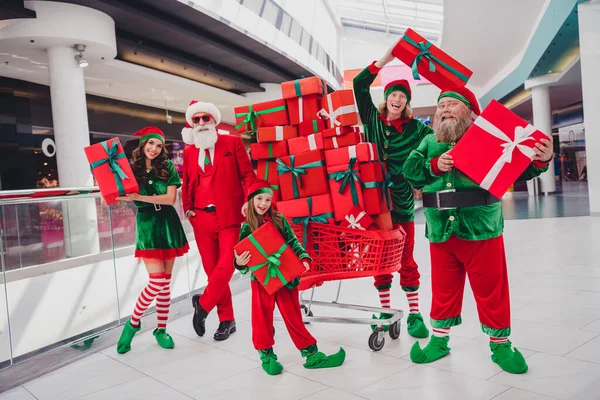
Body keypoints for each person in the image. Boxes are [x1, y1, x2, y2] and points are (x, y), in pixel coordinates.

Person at [403, 86, 554, 374]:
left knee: (491, 288)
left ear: (470, 112)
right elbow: (410, 170)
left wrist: (541, 160)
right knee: (443, 288)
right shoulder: (428, 140)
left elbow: (519, 168)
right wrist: (433, 165)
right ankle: (439, 340)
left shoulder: (488, 139)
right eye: (441, 105)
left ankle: (500, 345)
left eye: (451, 104)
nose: (444, 109)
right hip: (440, 230)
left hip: (481, 227)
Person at [352, 40, 433, 338]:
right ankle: (385, 309)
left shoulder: (417, 129)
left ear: (407, 101)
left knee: (406, 257)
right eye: (393, 94)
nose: (397, 99)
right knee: (380, 257)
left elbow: (439, 140)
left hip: (401, 202)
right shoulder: (372, 118)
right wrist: (386, 58)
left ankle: (414, 314)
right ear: (386, 98)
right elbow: (360, 84)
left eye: (402, 95)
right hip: (374, 201)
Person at [234, 180, 346, 375]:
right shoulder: (246, 228)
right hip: (262, 281)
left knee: (293, 315)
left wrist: (303, 256)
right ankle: (266, 356)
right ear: (251, 200)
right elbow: (242, 258)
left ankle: (312, 355)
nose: (263, 203)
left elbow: (293, 241)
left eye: (267, 199)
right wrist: (240, 262)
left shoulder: (279, 219)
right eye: (259, 198)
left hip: (285, 277)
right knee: (261, 318)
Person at [181, 100, 259, 341]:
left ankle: (202, 306)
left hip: (229, 216)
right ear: (192, 124)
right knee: (212, 270)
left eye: (206, 118)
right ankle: (227, 320)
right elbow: (187, 182)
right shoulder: (189, 151)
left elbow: (247, 174)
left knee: (226, 266)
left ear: (214, 120)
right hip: (200, 217)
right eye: (197, 120)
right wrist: (188, 209)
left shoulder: (232, 143)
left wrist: (249, 199)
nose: (202, 123)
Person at [116, 126, 190, 353]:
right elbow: (111, 193)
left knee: (165, 284)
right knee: (157, 281)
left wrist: (139, 196)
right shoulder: (129, 169)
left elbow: (170, 198)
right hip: (147, 224)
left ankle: (161, 329)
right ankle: (132, 324)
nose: (155, 149)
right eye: (151, 144)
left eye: (159, 145)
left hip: (168, 222)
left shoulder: (167, 167)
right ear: (143, 144)